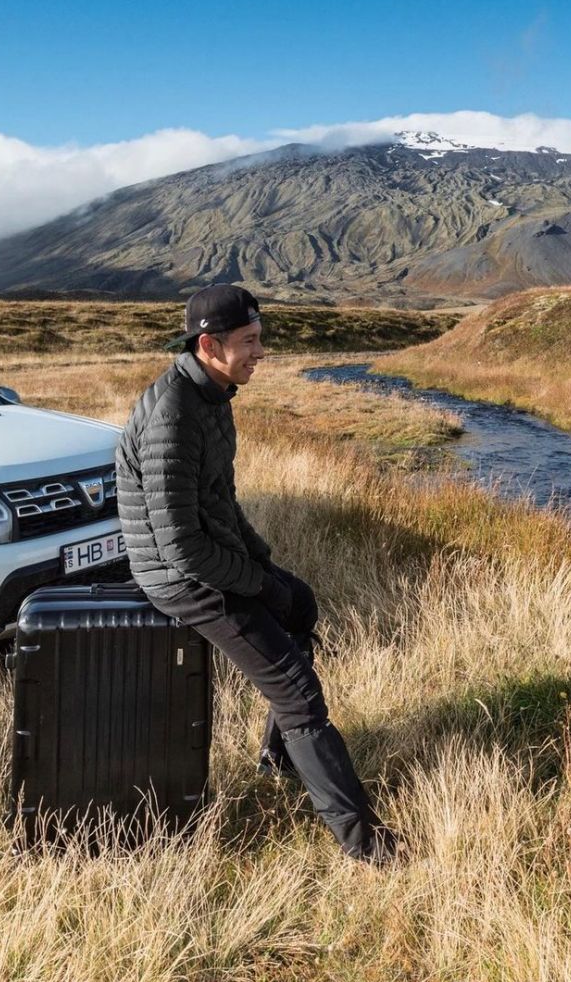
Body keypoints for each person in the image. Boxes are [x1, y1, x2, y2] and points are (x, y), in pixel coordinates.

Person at [115, 283, 395, 864]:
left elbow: (221, 501)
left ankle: (279, 760)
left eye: (260, 338)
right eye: (250, 342)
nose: (261, 353)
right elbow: (181, 548)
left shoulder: (211, 396)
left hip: (209, 563)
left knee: (302, 606)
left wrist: (267, 567)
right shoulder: (174, 415)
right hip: (181, 580)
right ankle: (366, 846)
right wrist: (259, 584)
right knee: (298, 693)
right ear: (210, 345)